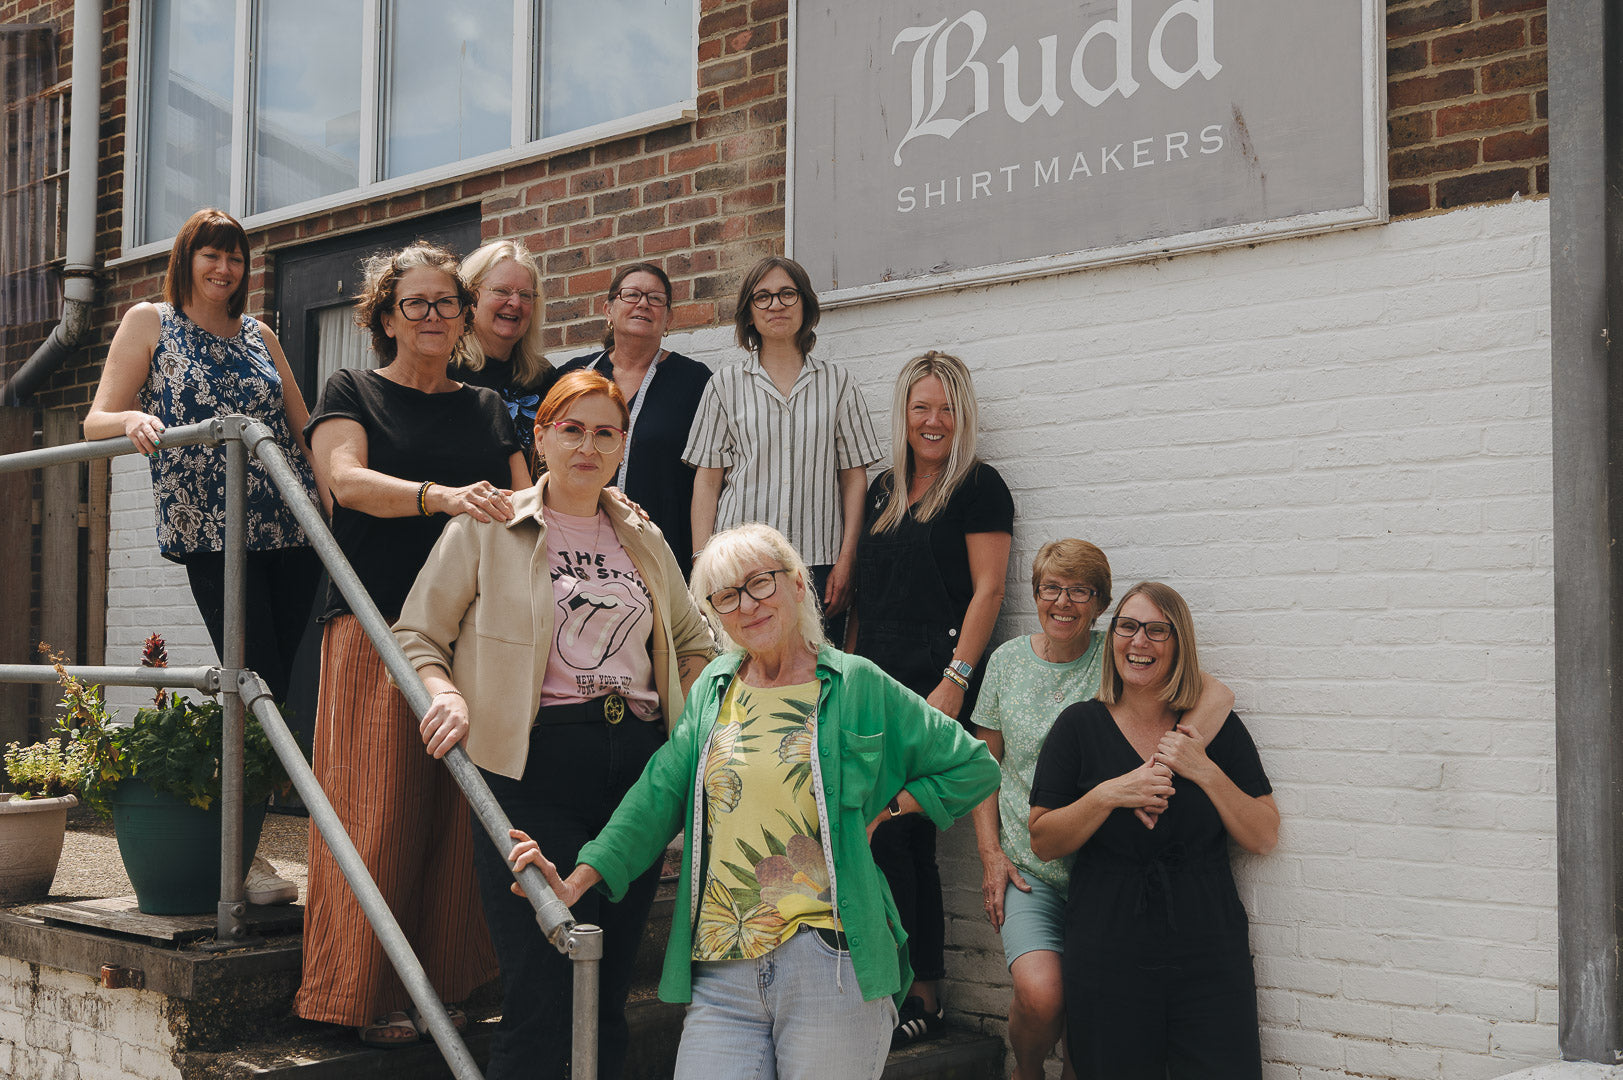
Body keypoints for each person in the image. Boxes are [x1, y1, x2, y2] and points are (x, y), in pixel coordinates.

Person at [506, 523, 1000, 1080]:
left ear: (795, 585)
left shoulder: (856, 683)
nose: (748, 605)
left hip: (830, 960)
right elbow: (659, 790)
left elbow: (973, 765)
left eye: (760, 583)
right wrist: (580, 878)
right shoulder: (715, 688)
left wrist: (887, 812)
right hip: (723, 967)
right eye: (727, 595)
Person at [394, 370, 719, 1080]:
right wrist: (443, 694)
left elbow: (694, 642)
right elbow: (417, 636)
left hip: (636, 773)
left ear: (622, 446)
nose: (587, 445)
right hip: (530, 771)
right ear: (539, 436)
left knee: (604, 995)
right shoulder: (485, 526)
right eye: (570, 428)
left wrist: (697, 725)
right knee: (542, 990)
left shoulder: (644, 535)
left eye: (605, 433)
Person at [296, 241, 526, 1046]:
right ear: (386, 317)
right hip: (373, 623)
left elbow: (528, 504)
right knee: (378, 811)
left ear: (465, 316)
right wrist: (441, 498)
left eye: (446, 303)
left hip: (466, 632)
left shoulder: (488, 407)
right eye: (415, 304)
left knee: (459, 818)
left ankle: (444, 987)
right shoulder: (352, 388)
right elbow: (345, 482)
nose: (432, 317)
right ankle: (358, 994)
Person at [83, 206, 321, 906]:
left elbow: (302, 426)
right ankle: (240, 859)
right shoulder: (149, 321)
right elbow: (97, 415)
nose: (224, 269)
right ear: (186, 259)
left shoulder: (260, 333)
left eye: (235, 258)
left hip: (291, 526)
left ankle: (249, 847)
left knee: (285, 686)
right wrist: (130, 417)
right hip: (211, 530)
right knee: (257, 681)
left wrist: (329, 498)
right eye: (210, 256)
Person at [970, 544, 1234, 1080]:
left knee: (1095, 1026)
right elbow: (984, 764)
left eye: (1080, 591)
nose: (1063, 603)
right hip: (1034, 867)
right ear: (1036, 593)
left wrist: (1170, 764)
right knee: (1043, 994)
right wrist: (990, 853)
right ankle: (1025, 1070)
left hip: (1107, 870)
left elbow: (1218, 695)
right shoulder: (1006, 663)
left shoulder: (1116, 652)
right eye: (1051, 588)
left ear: (1099, 604)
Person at [1029, 582, 1278, 1080]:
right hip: (1109, 940)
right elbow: (1043, 839)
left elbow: (1264, 833)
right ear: (1112, 637)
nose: (1139, 641)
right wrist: (1108, 794)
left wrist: (1202, 768)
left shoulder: (1214, 728)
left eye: (1156, 631)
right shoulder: (1078, 726)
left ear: (1178, 643)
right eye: (1127, 626)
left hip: (1207, 940)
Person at [845, 350, 1013, 1042]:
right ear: (903, 415)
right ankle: (888, 988)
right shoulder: (884, 490)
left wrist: (956, 678)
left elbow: (990, 590)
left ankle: (923, 995)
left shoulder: (979, 487)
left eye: (945, 408)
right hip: (873, 684)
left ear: (962, 415)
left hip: (934, 686)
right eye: (920, 407)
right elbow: (864, 595)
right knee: (878, 843)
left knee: (906, 836)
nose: (933, 420)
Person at [684, 256, 882, 640]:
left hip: (817, 563)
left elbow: (854, 478)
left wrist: (847, 559)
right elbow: (707, 483)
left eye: (787, 294)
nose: (776, 305)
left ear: (805, 304)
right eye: (763, 297)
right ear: (749, 312)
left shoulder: (838, 383)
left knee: (813, 669)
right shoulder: (724, 385)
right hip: (740, 564)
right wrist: (701, 563)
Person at [557, 262, 713, 573]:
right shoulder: (572, 376)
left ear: (668, 318)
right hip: (576, 548)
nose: (643, 303)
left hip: (663, 550)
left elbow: (708, 477)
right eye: (631, 295)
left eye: (656, 299)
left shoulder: (695, 382)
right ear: (608, 309)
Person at [451, 239, 558, 467]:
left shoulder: (545, 378)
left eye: (526, 295)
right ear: (470, 298)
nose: (515, 303)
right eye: (501, 291)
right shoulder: (443, 371)